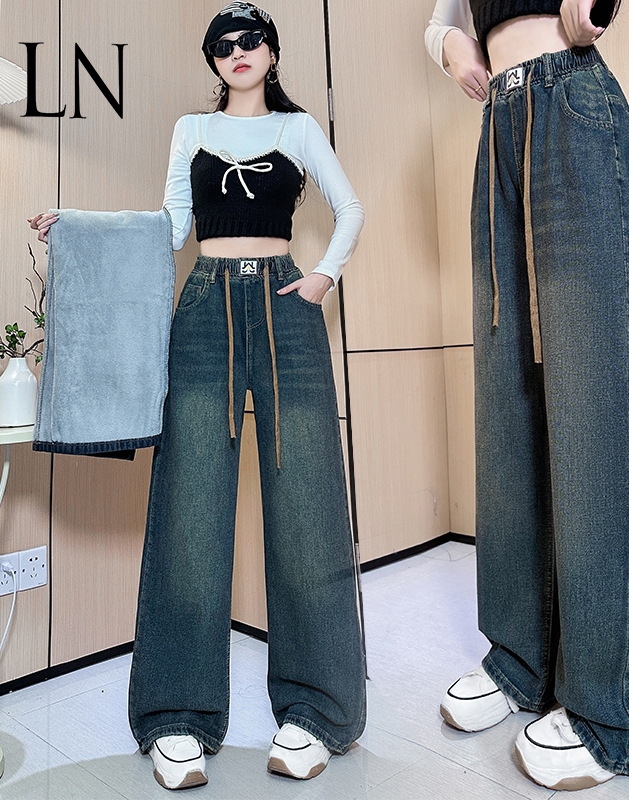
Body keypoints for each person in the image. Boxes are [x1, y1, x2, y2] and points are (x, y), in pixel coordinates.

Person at [31, 2, 366, 791]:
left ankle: (316, 712)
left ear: (271, 51)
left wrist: (323, 276)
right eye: (223, 45)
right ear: (213, 61)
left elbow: (350, 206)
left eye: (251, 40)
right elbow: (170, 229)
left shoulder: (297, 129)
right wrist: (80, 225)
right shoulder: (191, 129)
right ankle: (176, 715)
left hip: (285, 304)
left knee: (307, 504)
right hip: (206, 304)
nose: (238, 51)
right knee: (190, 505)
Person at [425, 0, 629, 791]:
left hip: (572, 99)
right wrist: (450, 46)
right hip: (500, 126)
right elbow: (442, 18)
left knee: (602, 395)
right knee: (509, 398)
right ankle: (523, 660)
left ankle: (627, 706)